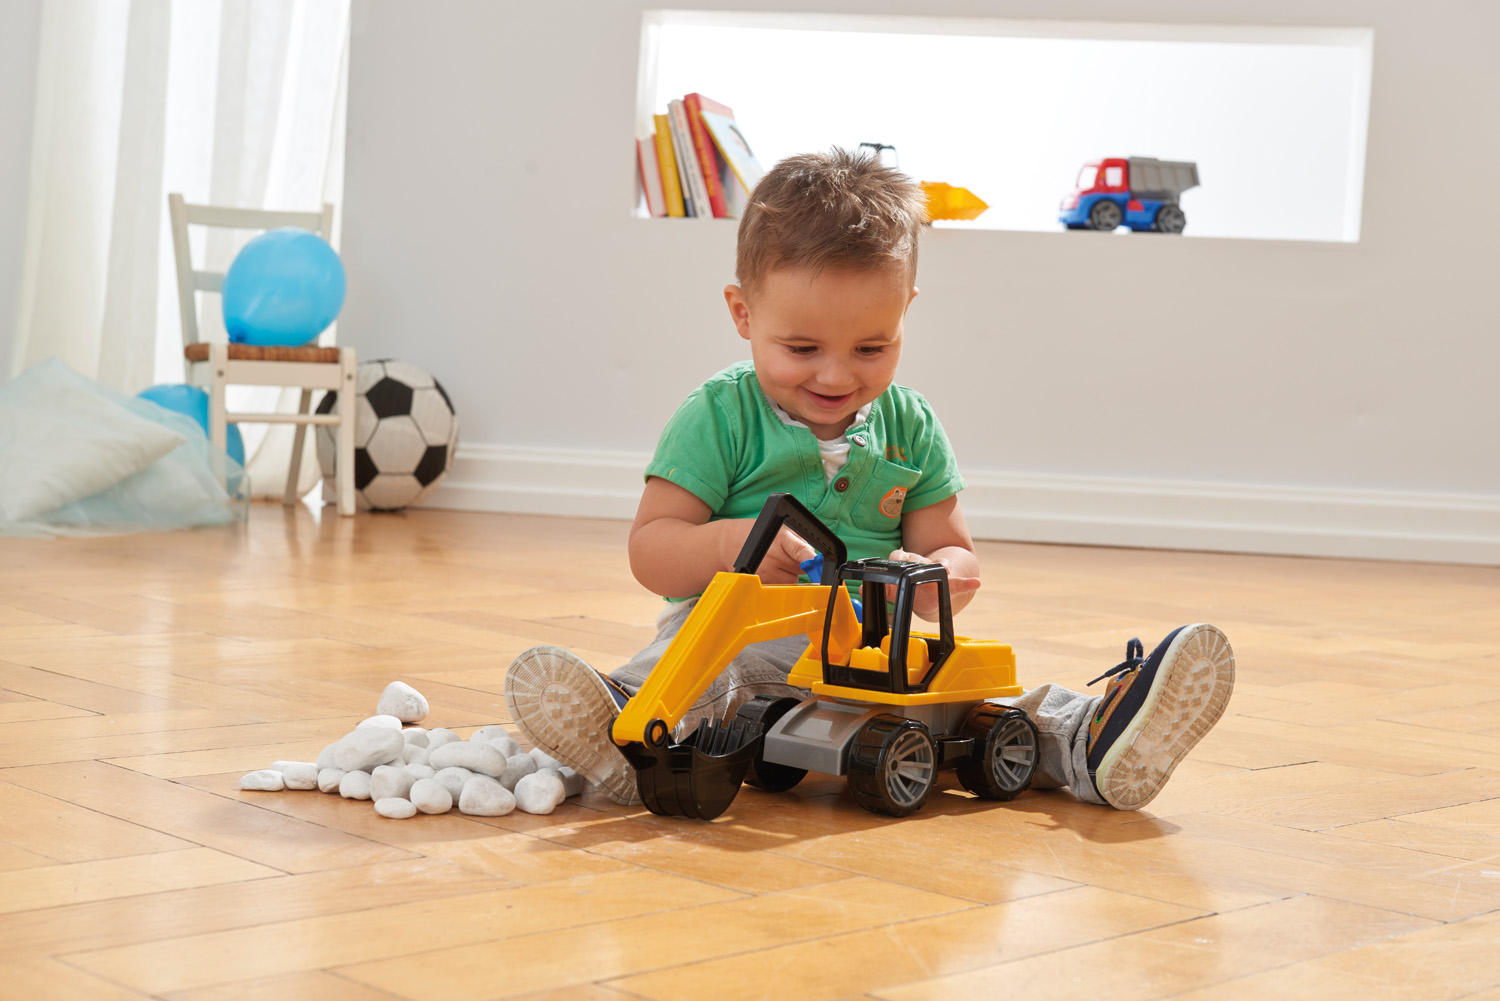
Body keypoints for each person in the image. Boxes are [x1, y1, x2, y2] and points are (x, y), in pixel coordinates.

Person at [506, 148, 1234, 812]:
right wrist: (734, 545)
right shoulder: (719, 416)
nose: (835, 375)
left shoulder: (911, 424)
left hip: (871, 650)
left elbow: (955, 551)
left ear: (905, 313)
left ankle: (1091, 738)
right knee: (719, 665)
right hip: (747, 630)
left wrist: (941, 576)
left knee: (979, 696)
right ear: (742, 313)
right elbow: (651, 550)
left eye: (870, 348)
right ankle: (628, 723)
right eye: (802, 348)